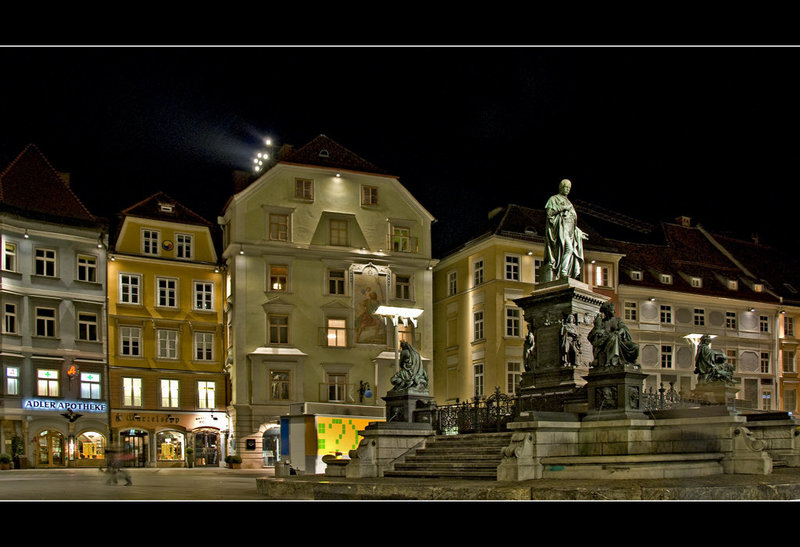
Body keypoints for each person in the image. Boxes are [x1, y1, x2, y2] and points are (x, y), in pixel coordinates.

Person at [543, 179, 588, 281]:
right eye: (565, 187)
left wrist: (579, 232)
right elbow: (549, 213)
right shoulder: (554, 199)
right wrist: (562, 208)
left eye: (569, 188)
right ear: (560, 187)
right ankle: (563, 272)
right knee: (569, 249)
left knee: (570, 250)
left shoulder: (569, 202)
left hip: (570, 230)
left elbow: (572, 220)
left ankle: (565, 271)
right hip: (560, 230)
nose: (567, 190)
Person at [587, 301, 639, 368]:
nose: (614, 311)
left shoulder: (617, 320)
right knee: (613, 337)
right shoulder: (601, 322)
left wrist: (619, 332)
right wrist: (597, 327)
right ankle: (612, 361)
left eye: (614, 310)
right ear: (607, 312)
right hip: (606, 344)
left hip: (620, 342)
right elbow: (591, 336)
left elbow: (624, 328)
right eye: (612, 310)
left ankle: (632, 362)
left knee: (635, 346)